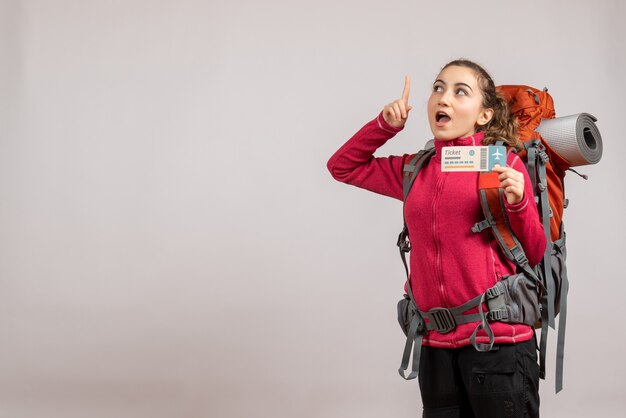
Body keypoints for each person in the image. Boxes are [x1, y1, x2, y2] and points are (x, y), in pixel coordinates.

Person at [326, 59, 546, 418]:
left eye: (461, 92)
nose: (443, 98)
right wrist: (384, 126)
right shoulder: (416, 170)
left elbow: (535, 251)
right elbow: (343, 167)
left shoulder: (497, 164)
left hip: (497, 344)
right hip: (435, 347)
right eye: (438, 88)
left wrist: (519, 201)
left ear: (484, 115)